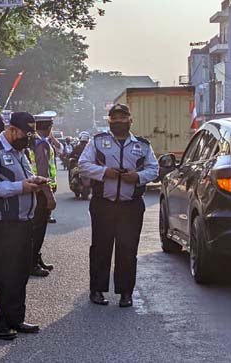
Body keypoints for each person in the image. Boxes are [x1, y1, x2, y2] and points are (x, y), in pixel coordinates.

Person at [79, 104, 159, 307]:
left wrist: (137, 177)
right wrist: (105, 172)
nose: (118, 122)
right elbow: (83, 164)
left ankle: (126, 293)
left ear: (130, 120)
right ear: (109, 121)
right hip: (103, 204)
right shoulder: (98, 141)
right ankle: (96, 290)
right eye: (114, 119)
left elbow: (154, 169)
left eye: (122, 118)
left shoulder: (142, 145)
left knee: (128, 249)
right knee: (100, 248)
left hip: (130, 206)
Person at [0, 112, 47, 341]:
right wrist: (21, 187)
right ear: (11, 129)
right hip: (1, 224)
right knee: (1, 274)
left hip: (22, 222)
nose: (26, 138)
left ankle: (15, 318)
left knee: (19, 273)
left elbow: (25, 178)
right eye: (24, 133)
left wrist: (36, 182)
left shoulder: (21, 152)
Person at [28, 113, 58, 277]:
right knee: (38, 230)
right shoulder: (42, 144)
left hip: (35, 191)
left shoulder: (33, 142)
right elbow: (43, 171)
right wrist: (49, 196)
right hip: (41, 192)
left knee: (36, 229)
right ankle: (32, 263)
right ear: (49, 127)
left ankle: (36, 258)